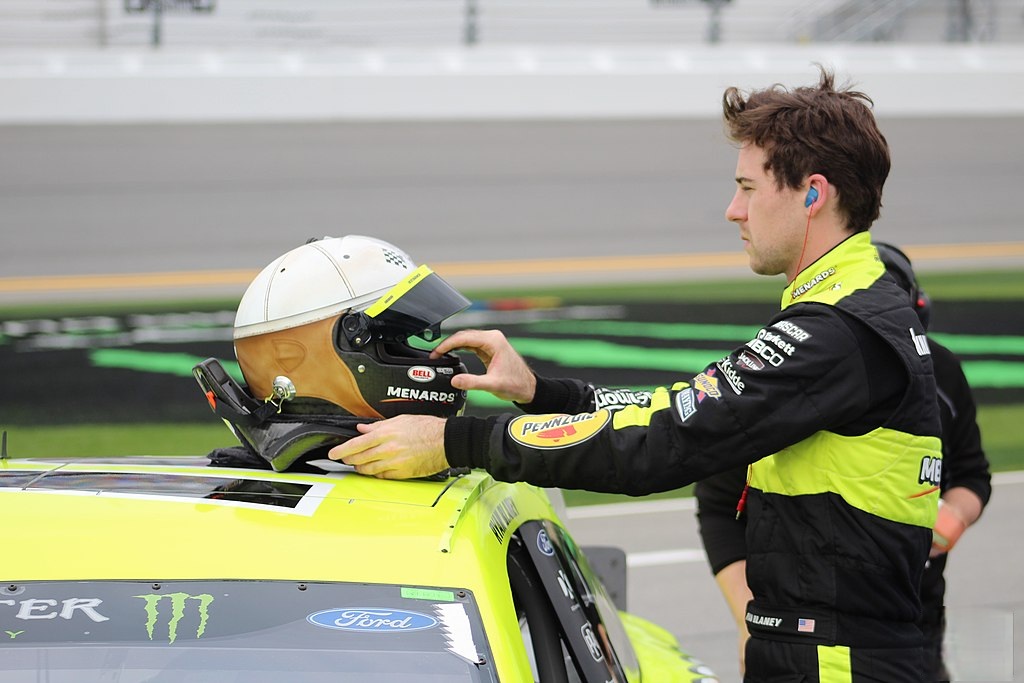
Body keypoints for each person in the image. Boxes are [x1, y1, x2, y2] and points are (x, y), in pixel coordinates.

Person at [330, 67, 944, 682]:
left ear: (813, 193)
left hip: (838, 664)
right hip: (833, 651)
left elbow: (659, 447)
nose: (733, 211)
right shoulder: (849, 308)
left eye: (748, 188)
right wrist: (541, 393)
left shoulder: (837, 331)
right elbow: (680, 408)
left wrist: (452, 442)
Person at [695, 242, 993, 681]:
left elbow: (972, 472)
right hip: (806, 639)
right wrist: (746, 621)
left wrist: (954, 515)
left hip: (915, 622)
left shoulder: (942, 372)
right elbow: (719, 503)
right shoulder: (781, 375)